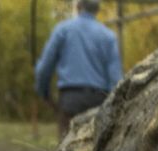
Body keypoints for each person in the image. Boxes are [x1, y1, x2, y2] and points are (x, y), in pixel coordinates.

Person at [35, 0, 122, 138]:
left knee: (67, 146)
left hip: (70, 101)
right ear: (97, 10)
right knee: (96, 147)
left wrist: (44, 93)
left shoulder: (62, 30)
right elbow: (115, 78)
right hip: (99, 103)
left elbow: (44, 68)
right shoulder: (108, 36)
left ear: (78, 6)